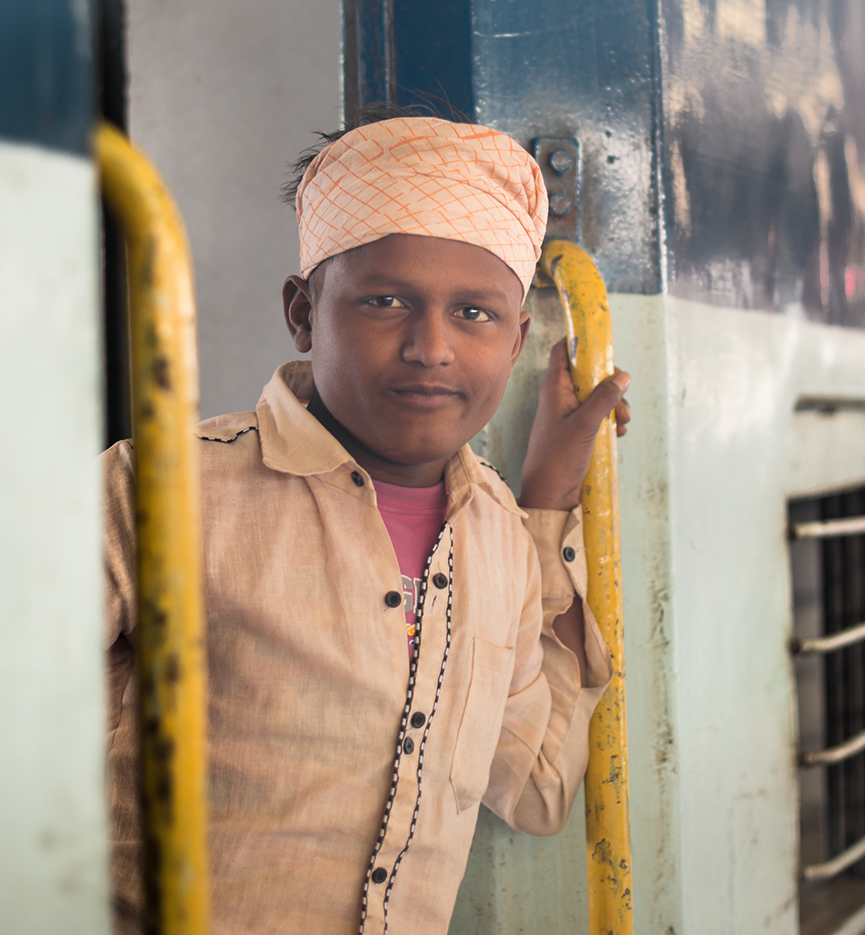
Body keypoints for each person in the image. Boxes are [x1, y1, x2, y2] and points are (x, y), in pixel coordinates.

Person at [102, 111, 629, 934]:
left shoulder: (502, 545)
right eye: (385, 301)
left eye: (475, 314)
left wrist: (546, 504)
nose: (431, 346)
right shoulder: (153, 491)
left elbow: (535, 788)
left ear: (517, 338)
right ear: (305, 314)